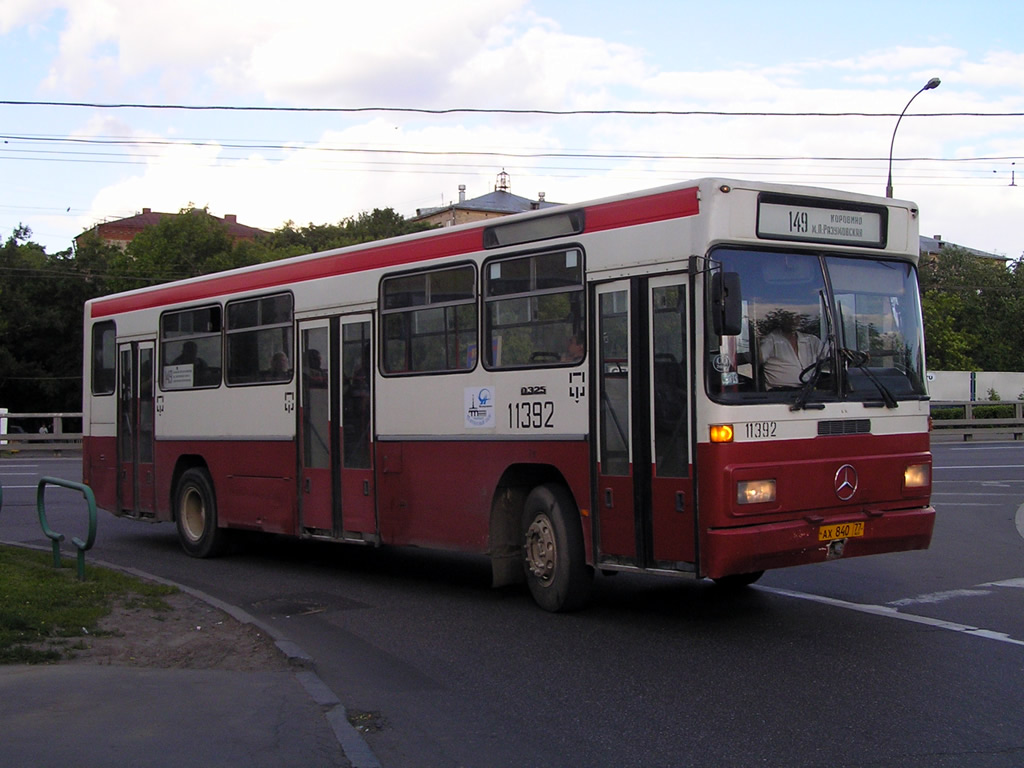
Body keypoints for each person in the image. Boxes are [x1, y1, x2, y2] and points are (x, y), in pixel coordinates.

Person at [759, 314, 822, 389]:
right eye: (789, 317)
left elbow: (830, 356)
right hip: (781, 393)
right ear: (782, 319)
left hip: (809, 391)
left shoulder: (811, 340)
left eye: (796, 317)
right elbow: (758, 359)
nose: (793, 320)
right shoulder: (770, 340)